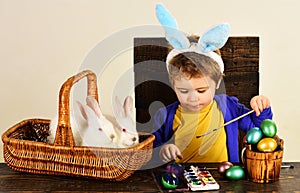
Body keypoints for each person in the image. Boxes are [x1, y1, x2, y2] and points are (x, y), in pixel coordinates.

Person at [152, 3, 273, 164]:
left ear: (217, 82)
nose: (193, 98)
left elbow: (258, 131)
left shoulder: (228, 107)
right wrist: (163, 150)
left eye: (201, 90)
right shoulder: (166, 115)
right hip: (184, 180)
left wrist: (261, 109)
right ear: (173, 85)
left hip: (223, 181)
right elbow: (151, 146)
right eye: (183, 91)